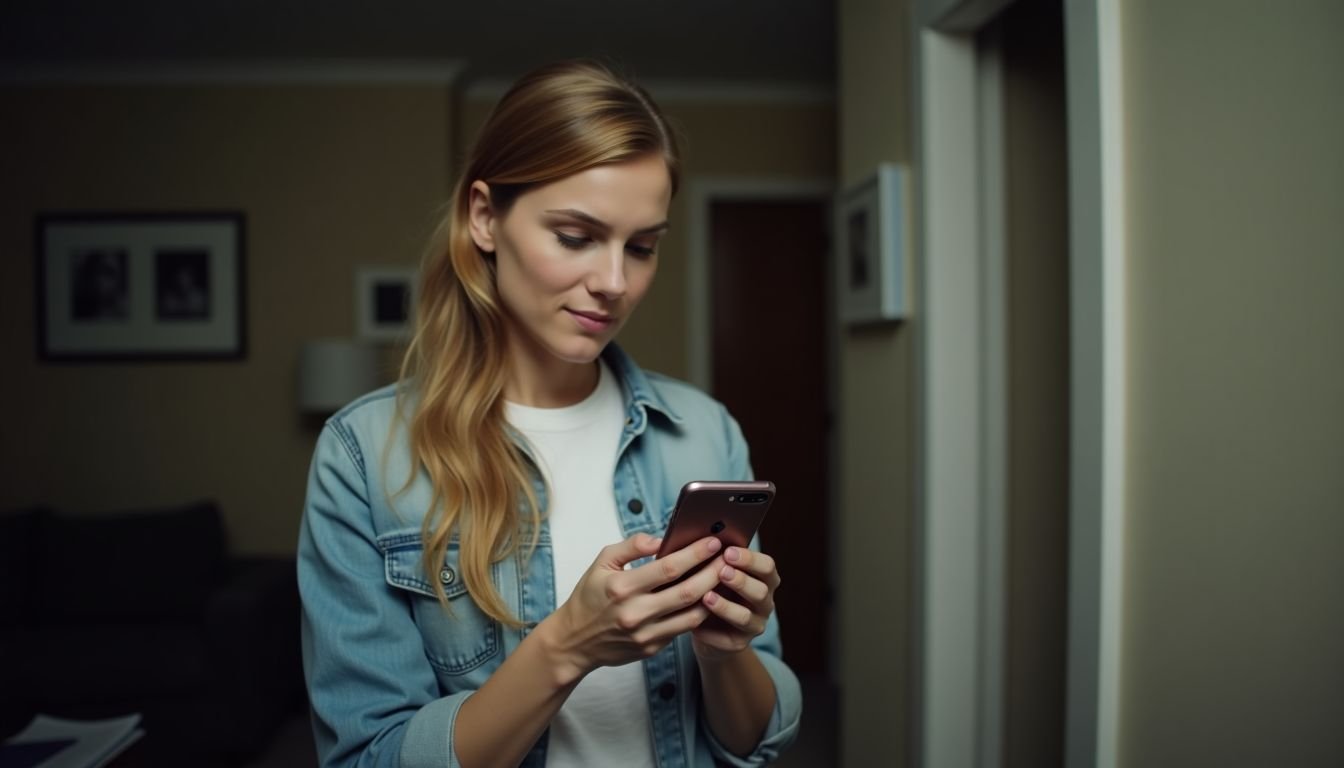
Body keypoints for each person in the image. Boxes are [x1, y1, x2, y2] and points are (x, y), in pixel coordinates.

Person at [297, 60, 801, 768]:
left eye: (644, 247)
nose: (615, 283)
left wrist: (726, 654)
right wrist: (567, 646)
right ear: (484, 218)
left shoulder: (704, 432)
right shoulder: (364, 457)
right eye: (574, 236)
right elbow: (368, 757)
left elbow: (755, 741)